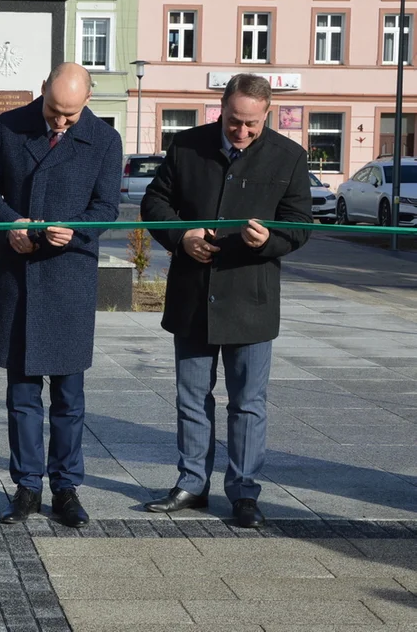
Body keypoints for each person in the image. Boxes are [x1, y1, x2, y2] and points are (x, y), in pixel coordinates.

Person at [140, 73, 312, 529]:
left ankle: (244, 492)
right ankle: (192, 483)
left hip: (249, 298)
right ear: (221, 108)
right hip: (194, 296)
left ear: (267, 113)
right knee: (191, 399)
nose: (242, 132)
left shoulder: (289, 156)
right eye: (235, 121)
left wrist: (269, 239)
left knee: (248, 403)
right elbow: (155, 203)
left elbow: (299, 225)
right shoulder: (186, 146)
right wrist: (182, 236)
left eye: (252, 124)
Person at [0, 62, 122, 527]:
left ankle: (67, 487)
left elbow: (106, 208)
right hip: (18, 275)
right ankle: (27, 487)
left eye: (69, 116)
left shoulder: (104, 140)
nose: (59, 122)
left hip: (68, 277)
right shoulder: (10, 124)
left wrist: (74, 231)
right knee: (21, 395)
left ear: (87, 102)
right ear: (42, 92)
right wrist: (8, 222)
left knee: (69, 397)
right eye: (54, 111)